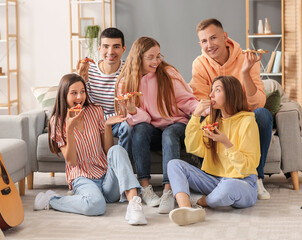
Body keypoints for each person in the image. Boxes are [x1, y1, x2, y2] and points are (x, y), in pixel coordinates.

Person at [33, 73, 147, 226]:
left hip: (106, 177)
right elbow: (71, 161)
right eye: (74, 93)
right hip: (82, 178)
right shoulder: (57, 121)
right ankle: (52, 200)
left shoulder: (95, 111)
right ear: (63, 95)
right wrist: (70, 129)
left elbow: (108, 150)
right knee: (96, 206)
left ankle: (134, 206)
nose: (80, 97)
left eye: (82, 91)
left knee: (117, 150)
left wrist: (107, 125)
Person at [190, 18, 272, 200]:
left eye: (213, 38)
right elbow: (203, 102)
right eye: (204, 41)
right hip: (218, 116)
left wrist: (244, 73)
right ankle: (212, 175)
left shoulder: (247, 58)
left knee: (263, 115)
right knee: (202, 121)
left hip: (245, 117)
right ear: (200, 43)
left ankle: (256, 177)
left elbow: (258, 103)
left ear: (225, 37)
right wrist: (221, 109)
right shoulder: (199, 64)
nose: (209, 45)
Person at [115, 36, 199, 214]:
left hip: (177, 125)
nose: (156, 61)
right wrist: (131, 110)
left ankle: (169, 190)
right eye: (150, 57)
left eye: (158, 56)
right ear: (139, 58)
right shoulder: (126, 82)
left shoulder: (168, 74)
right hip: (151, 127)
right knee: (139, 129)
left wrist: (202, 109)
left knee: (169, 133)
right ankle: (145, 188)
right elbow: (143, 118)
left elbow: (186, 100)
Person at [168, 75, 260, 226]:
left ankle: (201, 201)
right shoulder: (212, 119)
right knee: (174, 164)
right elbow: (193, 147)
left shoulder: (247, 121)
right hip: (213, 180)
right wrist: (196, 116)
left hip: (241, 182)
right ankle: (187, 210)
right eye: (211, 90)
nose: (211, 95)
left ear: (231, 94)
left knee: (228, 186)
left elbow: (248, 167)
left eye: (217, 90)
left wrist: (226, 143)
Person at [77, 27, 132, 156]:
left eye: (116, 47)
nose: (110, 51)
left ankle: (119, 168)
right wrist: (81, 80)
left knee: (128, 128)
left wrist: (112, 119)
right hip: (94, 121)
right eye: (106, 46)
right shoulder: (88, 70)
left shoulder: (129, 71)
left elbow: (129, 106)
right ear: (99, 48)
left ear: (123, 49)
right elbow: (81, 104)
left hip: (118, 121)